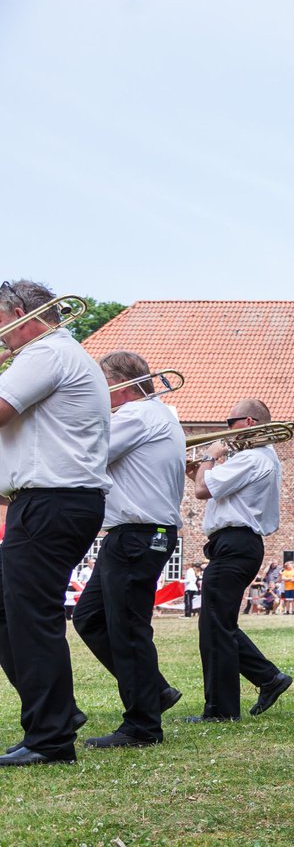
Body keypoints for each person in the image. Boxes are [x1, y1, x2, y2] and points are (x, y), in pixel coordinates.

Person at [0, 279, 111, 767]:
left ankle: (50, 738)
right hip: (54, 500)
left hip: (52, 501)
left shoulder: (44, 354)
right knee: (11, 610)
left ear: (23, 314)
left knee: (32, 615)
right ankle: (57, 716)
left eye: (1, 324)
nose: (0, 336)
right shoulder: (57, 354)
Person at [71, 351, 186, 749]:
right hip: (132, 533)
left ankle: (142, 725)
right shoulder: (161, 414)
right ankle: (152, 692)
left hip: (137, 533)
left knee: (128, 627)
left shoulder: (136, 416)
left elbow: (87, 454)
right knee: (90, 618)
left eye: (101, 384)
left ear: (119, 384)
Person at [185, 398, 292, 722]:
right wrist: (200, 471)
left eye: (229, 422)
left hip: (235, 543)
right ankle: (268, 678)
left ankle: (222, 709)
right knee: (218, 623)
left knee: (215, 624)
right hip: (237, 543)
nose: (224, 429)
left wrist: (207, 457)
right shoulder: (257, 458)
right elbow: (213, 489)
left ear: (247, 423)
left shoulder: (252, 457)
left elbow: (203, 491)